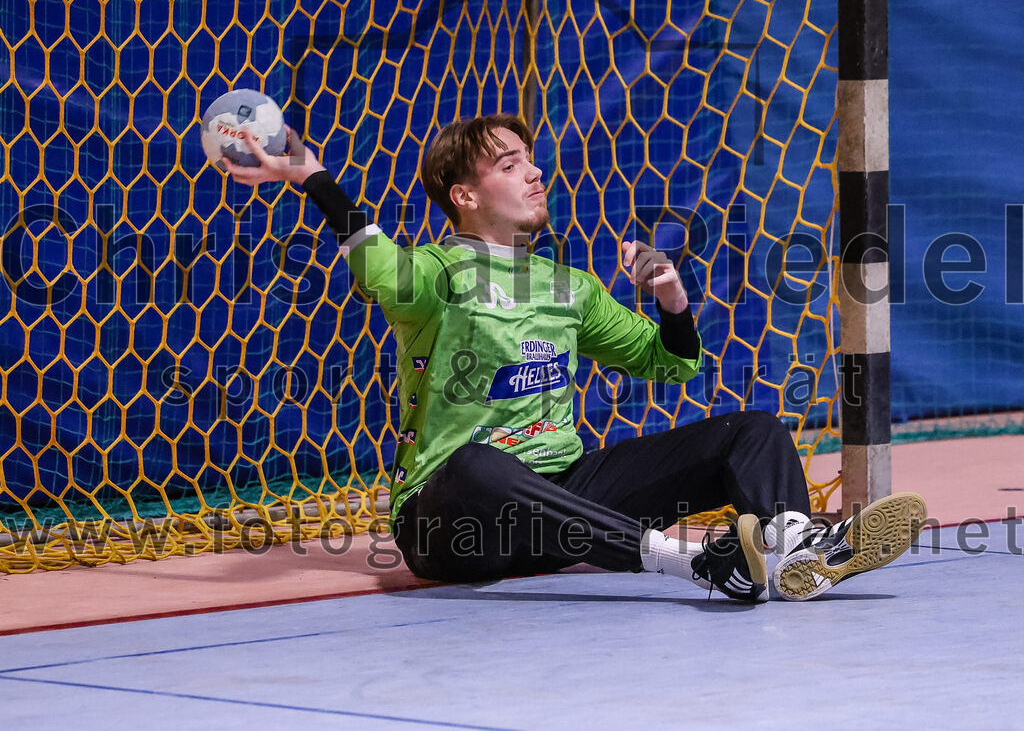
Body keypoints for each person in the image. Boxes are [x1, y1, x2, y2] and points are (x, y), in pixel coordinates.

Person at [225, 113, 926, 602]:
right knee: (474, 462)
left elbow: (670, 364)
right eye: (510, 164)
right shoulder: (436, 272)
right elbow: (377, 267)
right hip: (456, 526)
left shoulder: (568, 289)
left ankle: (797, 551)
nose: (534, 173)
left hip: (560, 516)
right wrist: (311, 176)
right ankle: (695, 565)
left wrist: (672, 300)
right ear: (465, 196)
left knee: (753, 431)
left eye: (531, 160)